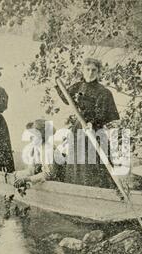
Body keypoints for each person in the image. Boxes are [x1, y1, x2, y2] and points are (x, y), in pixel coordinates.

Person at [55, 58, 120, 188]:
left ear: (99, 72)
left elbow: (106, 114)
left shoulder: (103, 92)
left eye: (94, 70)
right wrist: (58, 84)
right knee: (77, 160)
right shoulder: (79, 86)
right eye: (87, 70)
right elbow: (67, 99)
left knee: (95, 160)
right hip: (79, 128)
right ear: (83, 70)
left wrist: (93, 123)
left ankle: (101, 190)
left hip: (94, 130)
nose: (90, 73)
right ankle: (76, 188)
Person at [13, 119, 64, 187]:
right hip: (41, 183)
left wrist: (27, 179)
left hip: (55, 185)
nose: (31, 138)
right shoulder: (36, 149)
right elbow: (31, 171)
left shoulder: (49, 150)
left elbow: (48, 175)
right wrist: (17, 174)